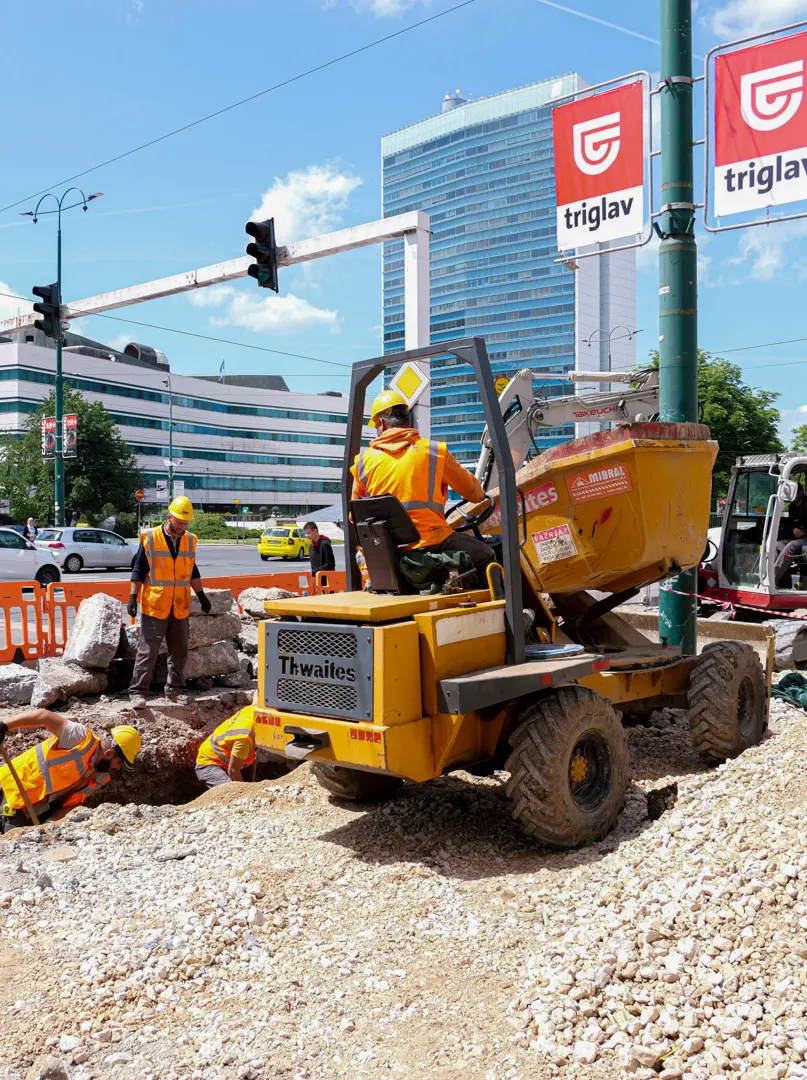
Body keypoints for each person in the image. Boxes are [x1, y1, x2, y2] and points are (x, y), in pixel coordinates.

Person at [351, 389, 495, 583]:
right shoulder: (435, 452)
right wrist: (479, 494)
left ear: (382, 424)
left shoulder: (363, 462)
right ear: (408, 420)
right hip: (434, 541)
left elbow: (355, 515)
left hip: (388, 549)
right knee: (487, 554)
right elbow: (475, 494)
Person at [128, 496, 212, 709]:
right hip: (155, 605)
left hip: (179, 606)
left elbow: (192, 570)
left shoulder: (190, 540)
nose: (182, 527)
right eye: (179, 523)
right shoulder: (151, 537)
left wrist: (201, 595)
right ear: (169, 517)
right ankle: (138, 693)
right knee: (149, 651)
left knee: (180, 651)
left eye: (185, 523)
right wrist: (132, 597)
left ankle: (174, 691)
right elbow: (138, 569)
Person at [0, 710, 141, 832]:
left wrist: (48, 827)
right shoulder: (80, 738)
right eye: (119, 763)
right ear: (109, 754)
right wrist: (5, 725)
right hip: (9, 789)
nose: (117, 768)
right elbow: (44, 716)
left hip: (27, 812)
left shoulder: (100, 777)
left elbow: (70, 805)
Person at [195, 714, 256, 789]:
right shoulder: (244, 739)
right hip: (209, 763)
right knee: (232, 792)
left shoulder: (253, 710)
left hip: (221, 762)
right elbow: (233, 771)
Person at [775, 482, 807, 588]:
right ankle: (781, 580)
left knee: (791, 546)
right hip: (795, 537)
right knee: (776, 544)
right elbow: (790, 523)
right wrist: (793, 529)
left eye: (794, 492)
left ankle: (773, 578)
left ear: (801, 492)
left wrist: (802, 530)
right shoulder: (792, 506)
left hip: (805, 537)